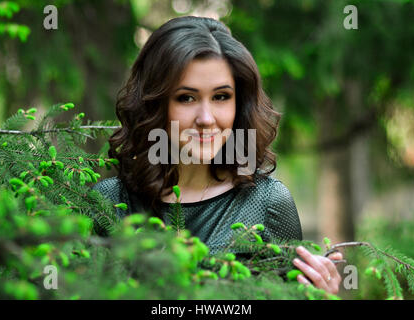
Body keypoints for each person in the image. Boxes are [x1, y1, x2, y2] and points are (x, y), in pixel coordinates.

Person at [92, 16, 343, 294]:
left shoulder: (269, 203)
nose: (206, 118)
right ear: (153, 104)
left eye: (221, 96)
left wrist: (318, 296)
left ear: (240, 104)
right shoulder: (109, 203)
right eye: (186, 98)